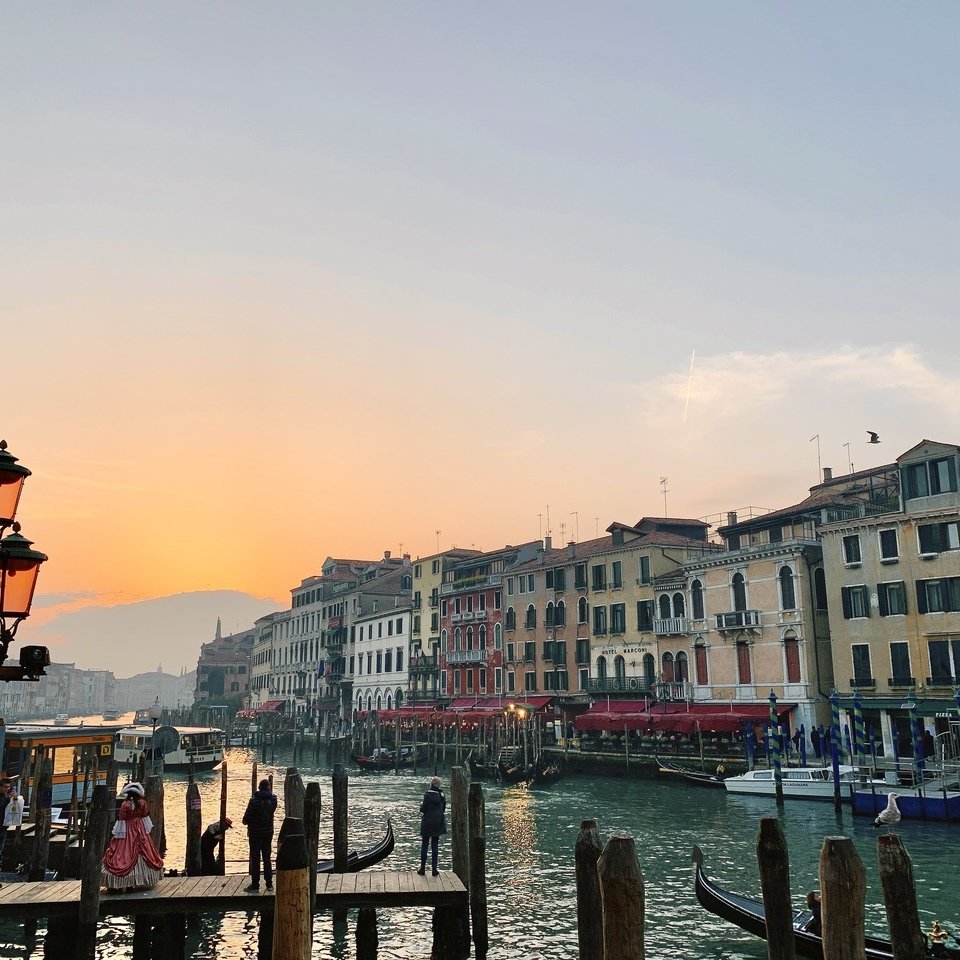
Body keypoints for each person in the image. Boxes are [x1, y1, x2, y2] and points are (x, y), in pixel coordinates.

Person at [102, 782, 164, 892]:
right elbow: (144, 816)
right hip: (140, 828)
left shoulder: (125, 804)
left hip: (127, 828)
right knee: (145, 850)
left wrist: (119, 834)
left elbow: (121, 818)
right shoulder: (142, 803)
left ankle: (122, 882)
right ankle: (135, 881)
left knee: (122, 851)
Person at [242, 779, 277, 891]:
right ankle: (269, 884)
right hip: (268, 832)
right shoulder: (273, 800)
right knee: (267, 858)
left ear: (259, 788)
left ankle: (255, 885)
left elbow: (246, 819)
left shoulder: (254, 801)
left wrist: (247, 821)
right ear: (268, 787)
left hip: (255, 833)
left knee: (256, 859)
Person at [418, 776, 446, 877]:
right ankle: (434, 869)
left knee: (425, 845)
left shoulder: (427, 795)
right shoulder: (441, 795)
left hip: (427, 822)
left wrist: (421, 806)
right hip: (437, 822)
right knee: (435, 845)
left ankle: (422, 868)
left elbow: (423, 809)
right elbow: (443, 808)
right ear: (439, 785)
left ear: (431, 784)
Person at [1, 785, 23, 863]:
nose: (7, 789)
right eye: (5, 787)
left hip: (3, 826)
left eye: (8, 787)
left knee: (1, 847)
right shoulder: (5, 798)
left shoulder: (6, 797)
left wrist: (15, 799)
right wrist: (8, 799)